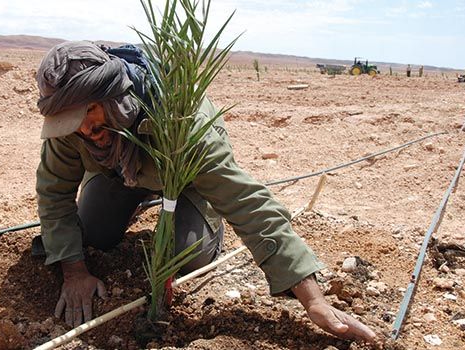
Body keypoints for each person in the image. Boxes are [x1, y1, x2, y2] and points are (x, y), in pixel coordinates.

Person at [33, 41, 376, 343]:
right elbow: (54, 192)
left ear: (112, 94)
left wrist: (312, 298)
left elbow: (245, 202)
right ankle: (142, 195)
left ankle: (198, 214)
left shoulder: (185, 123)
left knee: (188, 253)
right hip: (120, 175)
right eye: (71, 122)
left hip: (189, 179)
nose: (85, 130)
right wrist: (73, 272)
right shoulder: (76, 128)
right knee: (91, 235)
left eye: (89, 113)